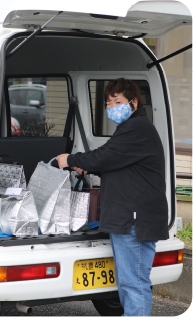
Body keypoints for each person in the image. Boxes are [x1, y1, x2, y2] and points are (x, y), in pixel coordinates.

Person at [57, 78, 169, 317]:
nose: (112, 108)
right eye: (108, 103)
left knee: (134, 284)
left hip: (135, 221)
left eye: (117, 101)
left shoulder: (136, 129)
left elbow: (105, 156)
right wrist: (89, 167)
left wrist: (74, 159)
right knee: (129, 283)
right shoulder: (133, 129)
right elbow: (117, 163)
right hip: (130, 218)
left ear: (133, 102)